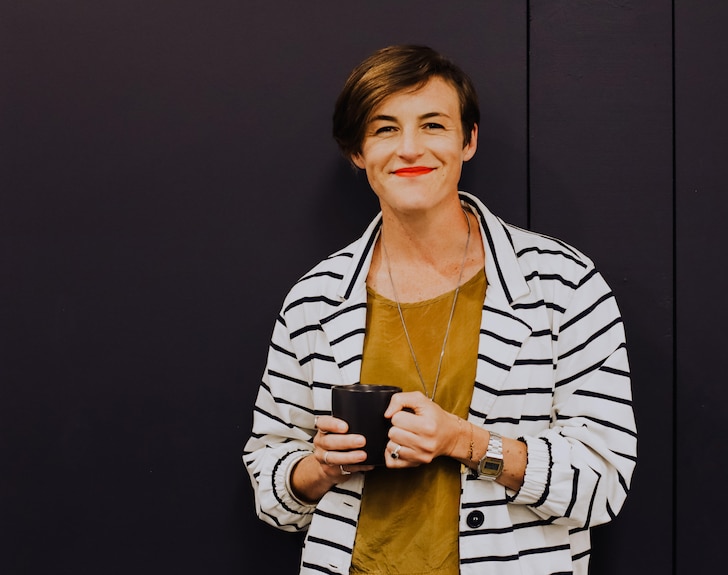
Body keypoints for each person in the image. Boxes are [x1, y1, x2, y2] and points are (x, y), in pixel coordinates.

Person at [242, 45, 636, 575]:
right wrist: (320, 466)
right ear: (358, 151)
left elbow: (603, 485)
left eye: (432, 125)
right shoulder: (314, 298)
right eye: (384, 129)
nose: (408, 148)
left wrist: (467, 442)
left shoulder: (561, 283)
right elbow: (268, 481)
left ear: (467, 140)